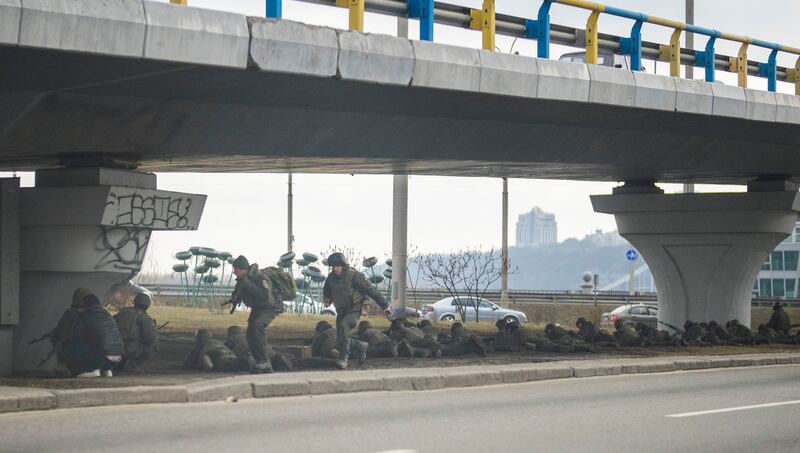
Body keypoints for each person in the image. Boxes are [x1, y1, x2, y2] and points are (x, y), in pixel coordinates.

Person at [322, 252, 391, 367]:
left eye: (338, 266)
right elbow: (327, 290)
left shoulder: (354, 276)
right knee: (340, 339)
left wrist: (384, 305)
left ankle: (344, 358)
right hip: (341, 310)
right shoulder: (331, 278)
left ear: (343, 266)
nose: (336, 269)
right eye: (334, 267)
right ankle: (360, 346)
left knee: (344, 327)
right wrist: (327, 299)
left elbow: (371, 290)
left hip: (355, 309)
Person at [228, 255, 283, 374]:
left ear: (242, 269)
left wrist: (247, 284)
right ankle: (260, 362)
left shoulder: (260, 277)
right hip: (258, 308)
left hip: (271, 307)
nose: (234, 272)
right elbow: (238, 292)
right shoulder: (243, 280)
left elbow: (265, 296)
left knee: (258, 326)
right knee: (250, 333)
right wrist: (234, 298)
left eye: (235, 269)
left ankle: (265, 362)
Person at [56, 289, 124, 377]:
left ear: (84, 306)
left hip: (101, 358)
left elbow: (74, 336)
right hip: (117, 358)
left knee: (72, 346)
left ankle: (91, 370)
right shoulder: (108, 315)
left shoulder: (87, 316)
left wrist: (62, 344)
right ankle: (105, 370)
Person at [113, 292, 158, 372]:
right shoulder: (144, 317)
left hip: (115, 345)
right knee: (154, 343)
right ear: (148, 305)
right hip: (129, 347)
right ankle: (134, 366)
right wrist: (152, 329)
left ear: (135, 302)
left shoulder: (123, 312)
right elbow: (149, 339)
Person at [224, 325, 295, 372]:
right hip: (267, 351)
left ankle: (262, 368)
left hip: (251, 355)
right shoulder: (251, 336)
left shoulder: (232, 338)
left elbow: (224, 349)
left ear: (229, 334)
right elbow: (267, 345)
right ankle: (280, 360)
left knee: (255, 363)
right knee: (273, 356)